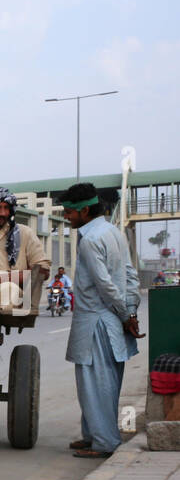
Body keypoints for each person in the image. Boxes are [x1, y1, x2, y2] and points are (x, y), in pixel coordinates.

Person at [59, 183, 141, 458]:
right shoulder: (112, 232)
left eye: (69, 212)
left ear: (84, 210)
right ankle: (93, 435)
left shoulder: (91, 240)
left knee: (95, 385)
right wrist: (130, 312)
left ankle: (105, 442)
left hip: (97, 323)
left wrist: (125, 314)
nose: (66, 217)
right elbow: (130, 276)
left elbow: (105, 286)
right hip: (112, 322)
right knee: (103, 383)